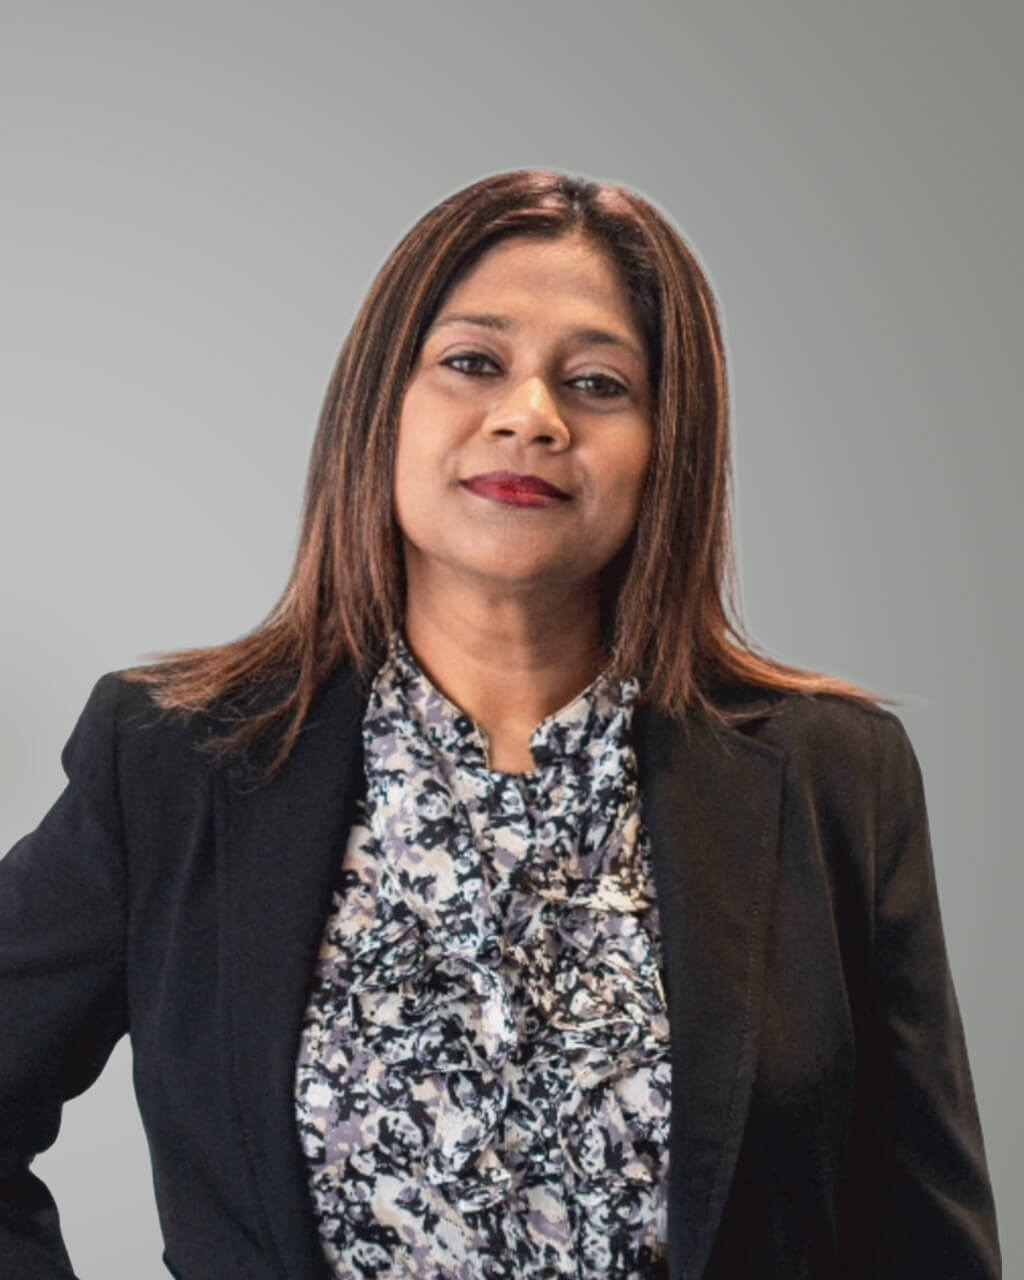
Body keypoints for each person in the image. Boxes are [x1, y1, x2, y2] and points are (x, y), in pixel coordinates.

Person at [0, 169, 1000, 1280]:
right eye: (473, 362)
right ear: (381, 408)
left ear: (670, 447)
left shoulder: (830, 774)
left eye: (598, 382)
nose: (531, 414)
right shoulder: (176, 759)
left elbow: (924, 1235)